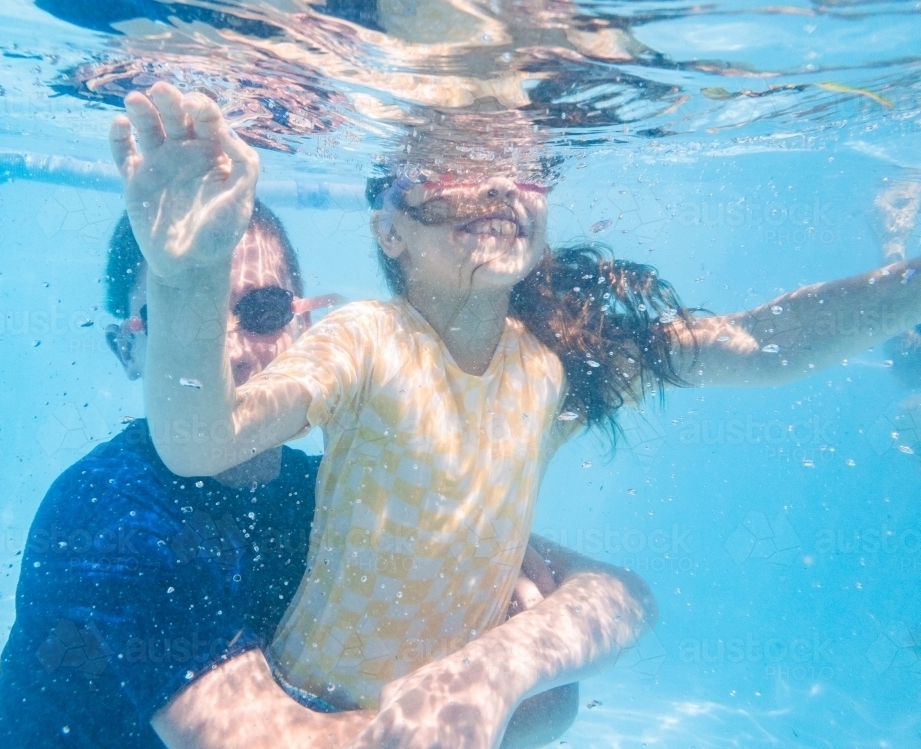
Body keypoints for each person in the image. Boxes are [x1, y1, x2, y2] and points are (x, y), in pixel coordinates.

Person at [113, 81, 921, 748]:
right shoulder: (368, 340)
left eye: (521, 167)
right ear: (389, 228)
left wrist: (908, 285)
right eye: (451, 166)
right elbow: (199, 439)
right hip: (313, 720)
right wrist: (187, 277)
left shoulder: (553, 365)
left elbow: (750, 341)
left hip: (455, 724)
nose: (496, 182)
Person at [0, 202, 655, 749]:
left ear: (305, 329)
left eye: (263, 313)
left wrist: (500, 668)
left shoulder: (332, 492)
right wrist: (501, 708)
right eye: (187, 312)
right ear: (128, 346)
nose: (233, 350)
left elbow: (616, 593)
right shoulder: (108, 510)